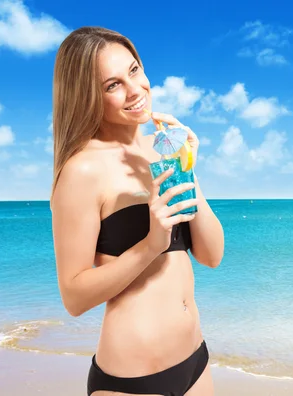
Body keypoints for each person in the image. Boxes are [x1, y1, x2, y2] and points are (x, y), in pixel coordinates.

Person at [50, 26, 224, 396]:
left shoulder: (162, 150)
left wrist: (186, 165)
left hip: (195, 360)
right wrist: (150, 245)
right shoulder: (82, 170)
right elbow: (74, 297)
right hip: (133, 380)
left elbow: (211, 256)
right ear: (87, 97)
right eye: (112, 85)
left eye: (133, 71)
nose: (134, 90)